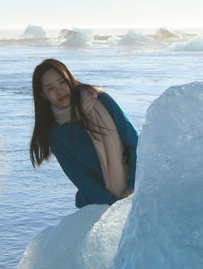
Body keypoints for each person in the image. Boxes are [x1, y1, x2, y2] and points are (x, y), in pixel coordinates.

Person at [30, 58, 139, 208]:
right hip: (96, 205)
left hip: (134, 192)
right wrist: (114, 204)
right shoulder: (55, 132)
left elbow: (135, 144)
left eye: (62, 82)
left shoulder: (101, 100)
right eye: (50, 88)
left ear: (70, 79)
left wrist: (132, 188)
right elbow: (82, 179)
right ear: (43, 95)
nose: (60, 90)